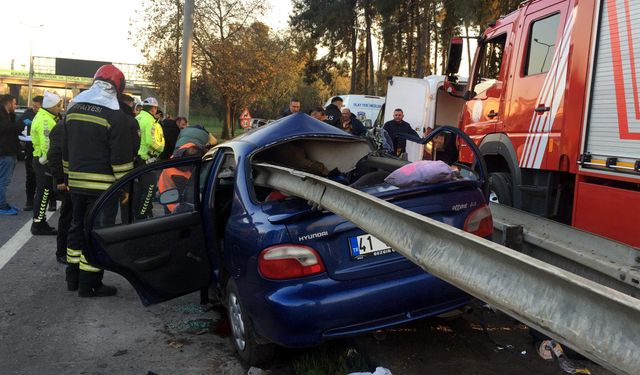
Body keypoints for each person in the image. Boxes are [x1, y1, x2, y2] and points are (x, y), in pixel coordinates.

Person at [63, 64, 135, 297]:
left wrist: (67, 176)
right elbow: (120, 157)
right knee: (96, 232)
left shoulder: (73, 110)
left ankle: (73, 278)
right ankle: (90, 283)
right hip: (103, 187)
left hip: (76, 183)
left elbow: (65, 149)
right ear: (117, 87)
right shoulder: (115, 115)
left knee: (76, 227)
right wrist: (124, 186)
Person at [158, 124, 216, 213]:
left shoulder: (181, 152)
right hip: (171, 197)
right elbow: (188, 195)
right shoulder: (177, 171)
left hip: (167, 192)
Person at [30, 91, 63, 235]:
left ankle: (40, 222)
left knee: (43, 192)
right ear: (50, 106)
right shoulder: (46, 121)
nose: (60, 108)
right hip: (44, 161)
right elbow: (47, 146)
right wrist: (49, 162)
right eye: (58, 105)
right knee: (44, 193)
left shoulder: (47, 116)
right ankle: (38, 224)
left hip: (41, 160)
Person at [135, 97, 165, 219]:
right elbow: (151, 142)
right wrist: (162, 147)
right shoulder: (151, 122)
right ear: (153, 109)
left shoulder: (137, 118)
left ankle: (140, 213)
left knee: (138, 190)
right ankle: (142, 215)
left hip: (135, 159)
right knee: (149, 190)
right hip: (147, 159)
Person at [47, 115, 71, 264]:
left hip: (72, 179)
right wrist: (60, 179)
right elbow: (55, 154)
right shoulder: (62, 127)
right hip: (65, 181)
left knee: (72, 217)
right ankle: (61, 252)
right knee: (67, 218)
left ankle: (67, 250)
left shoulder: (69, 125)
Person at [18, 95, 43, 211]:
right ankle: (29, 201)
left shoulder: (47, 115)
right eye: (33, 105)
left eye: (36, 106)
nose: (34, 108)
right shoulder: (28, 113)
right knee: (31, 176)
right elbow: (20, 124)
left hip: (44, 151)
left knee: (45, 177)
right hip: (30, 148)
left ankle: (50, 201)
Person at [0, 94, 22, 215]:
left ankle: (3, 203)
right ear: (8, 103)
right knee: (3, 180)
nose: (15, 105)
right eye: (14, 103)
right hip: (5, 152)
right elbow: (6, 129)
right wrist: (19, 125)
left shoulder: (8, 115)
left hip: (9, 151)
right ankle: (2, 205)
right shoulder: (2, 116)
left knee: (4, 180)